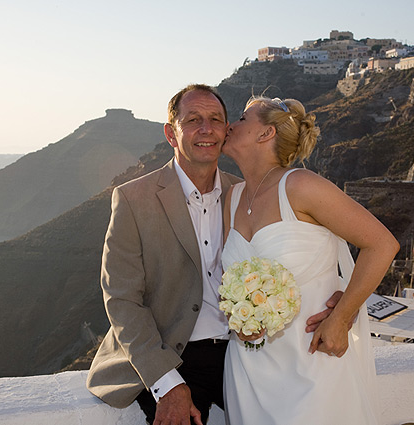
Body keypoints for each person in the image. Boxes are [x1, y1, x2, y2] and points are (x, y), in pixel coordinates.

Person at [86, 84, 346, 425]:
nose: (206, 129)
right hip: (172, 357)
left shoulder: (243, 194)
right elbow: (122, 300)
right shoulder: (134, 199)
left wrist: (338, 299)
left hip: (242, 354)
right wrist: (166, 384)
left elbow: (300, 252)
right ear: (171, 133)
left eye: (215, 119)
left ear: (226, 131)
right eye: (193, 120)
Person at [221, 96, 400, 424]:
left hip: (311, 363)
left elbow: (382, 244)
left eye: (243, 119)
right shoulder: (231, 199)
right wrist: (238, 317)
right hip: (248, 371)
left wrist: (342, 317)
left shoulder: (301, 186)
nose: (230, 124)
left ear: (266, 134)